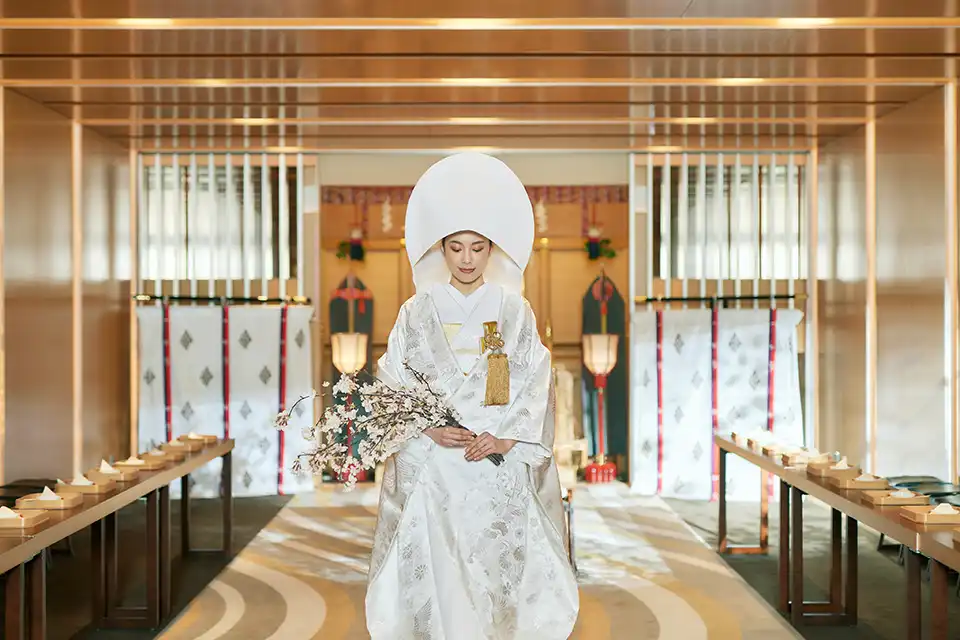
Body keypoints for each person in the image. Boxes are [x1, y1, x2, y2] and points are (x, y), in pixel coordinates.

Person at [365, 152, 579, 639]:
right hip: (434, 467)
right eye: (456, 247)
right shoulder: (415, 312)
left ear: (491, 250)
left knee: (492, 578)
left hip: (493, 467)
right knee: (438, 580)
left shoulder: (514, 311)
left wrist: (505, 439)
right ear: (440, 249)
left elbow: (535, 381)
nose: (466, 259)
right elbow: (392, 380)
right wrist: (426, 428)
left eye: (477, 248)